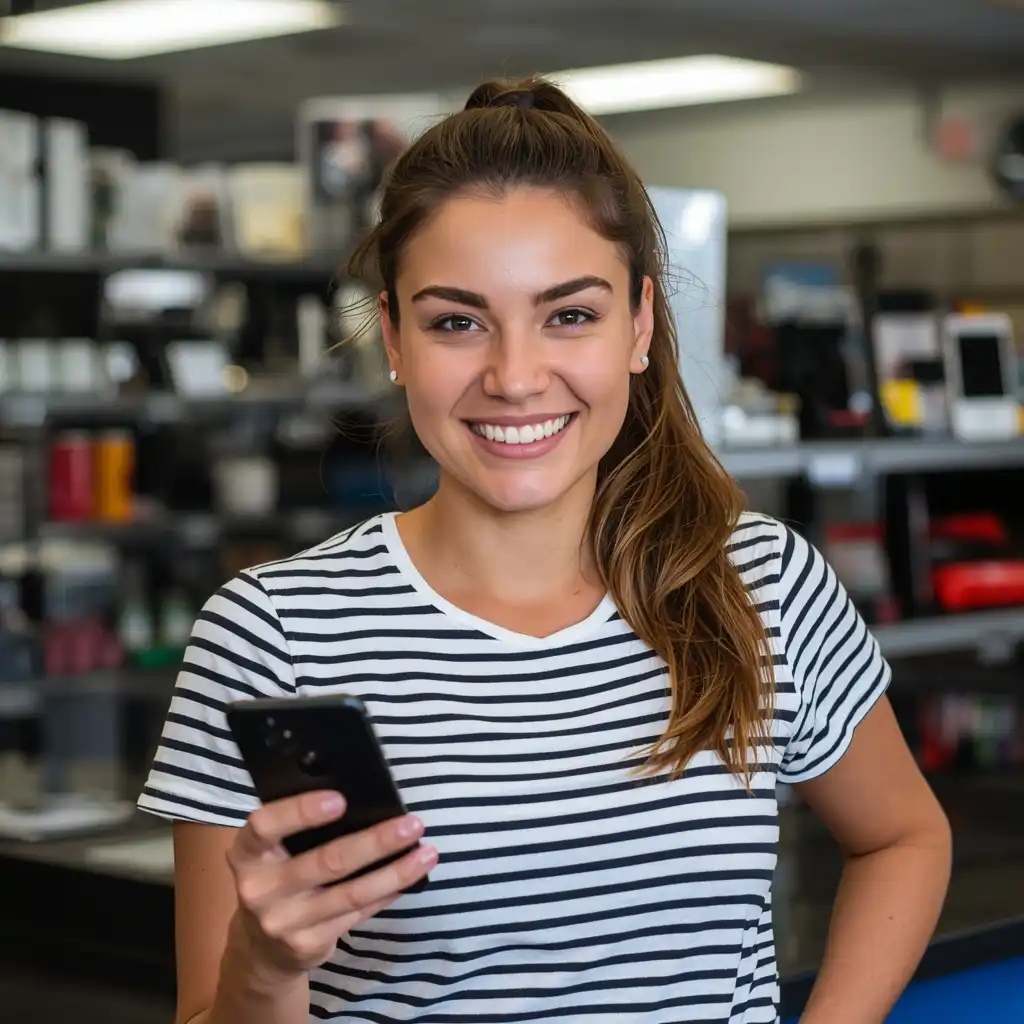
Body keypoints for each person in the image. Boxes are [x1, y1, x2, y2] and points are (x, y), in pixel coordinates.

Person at [139, 77, 952, 1024]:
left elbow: (903, 836)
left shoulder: (760, 581)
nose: (516, 378)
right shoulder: (271, 633)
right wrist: (267, 968)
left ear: (640, 327)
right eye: (456, 321)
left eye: (570, 314)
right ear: (393, 338)